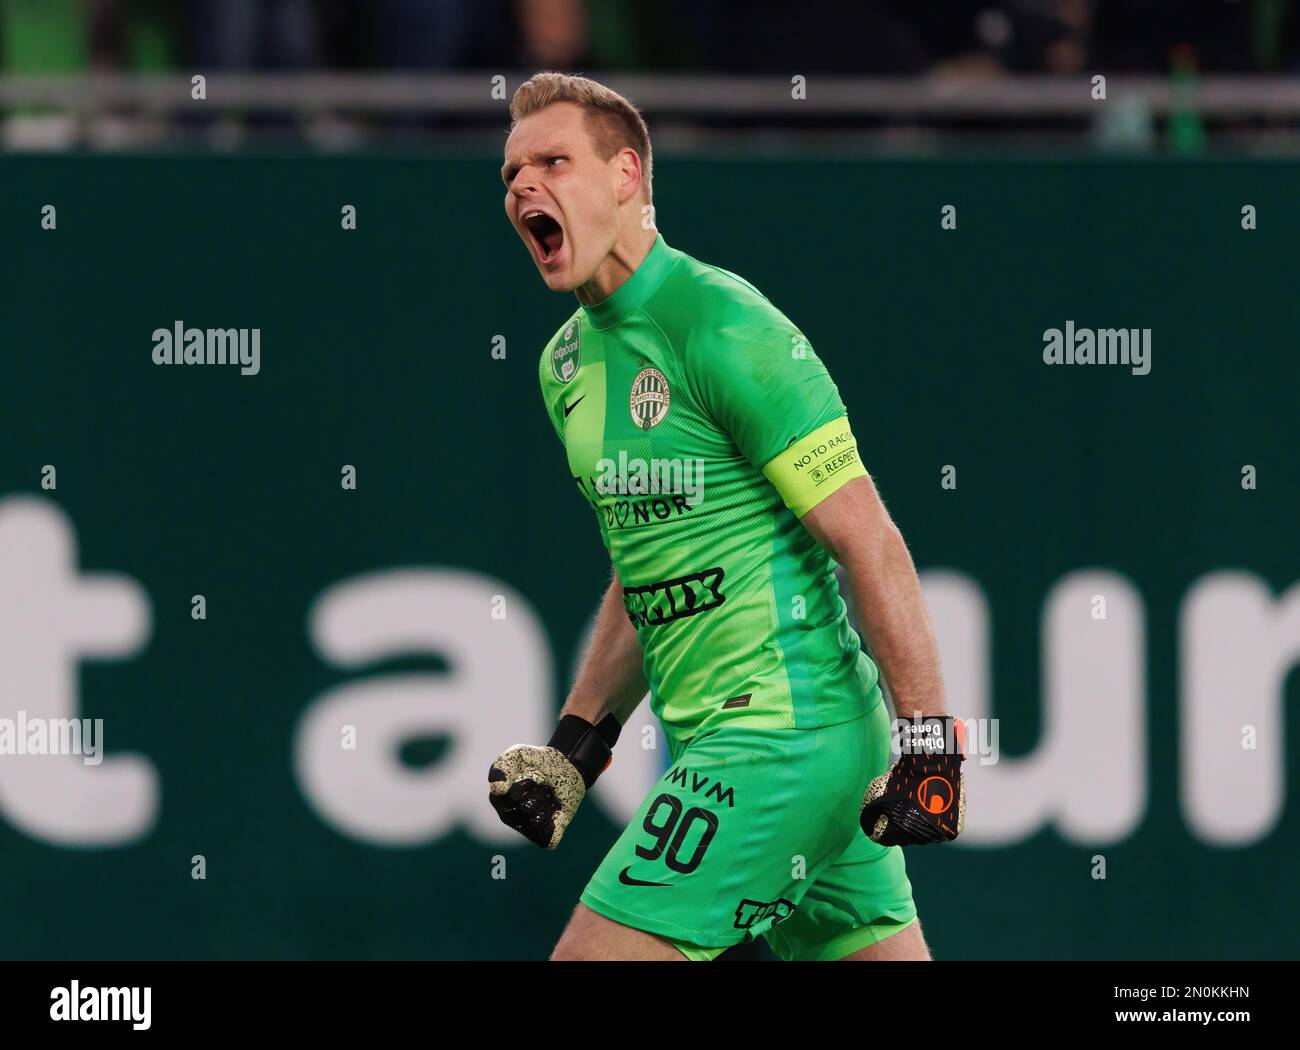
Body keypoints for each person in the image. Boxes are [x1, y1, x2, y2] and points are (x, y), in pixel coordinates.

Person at [489, 72, 966, 962]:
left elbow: (869, 540)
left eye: (554, 160)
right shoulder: (564, 367)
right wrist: (577, 747)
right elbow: (649, 571)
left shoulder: (724, 326)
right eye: (512, 172)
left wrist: (931, 748)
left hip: (780, 739)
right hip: (770, 745)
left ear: (627, 176)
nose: (523, 186)